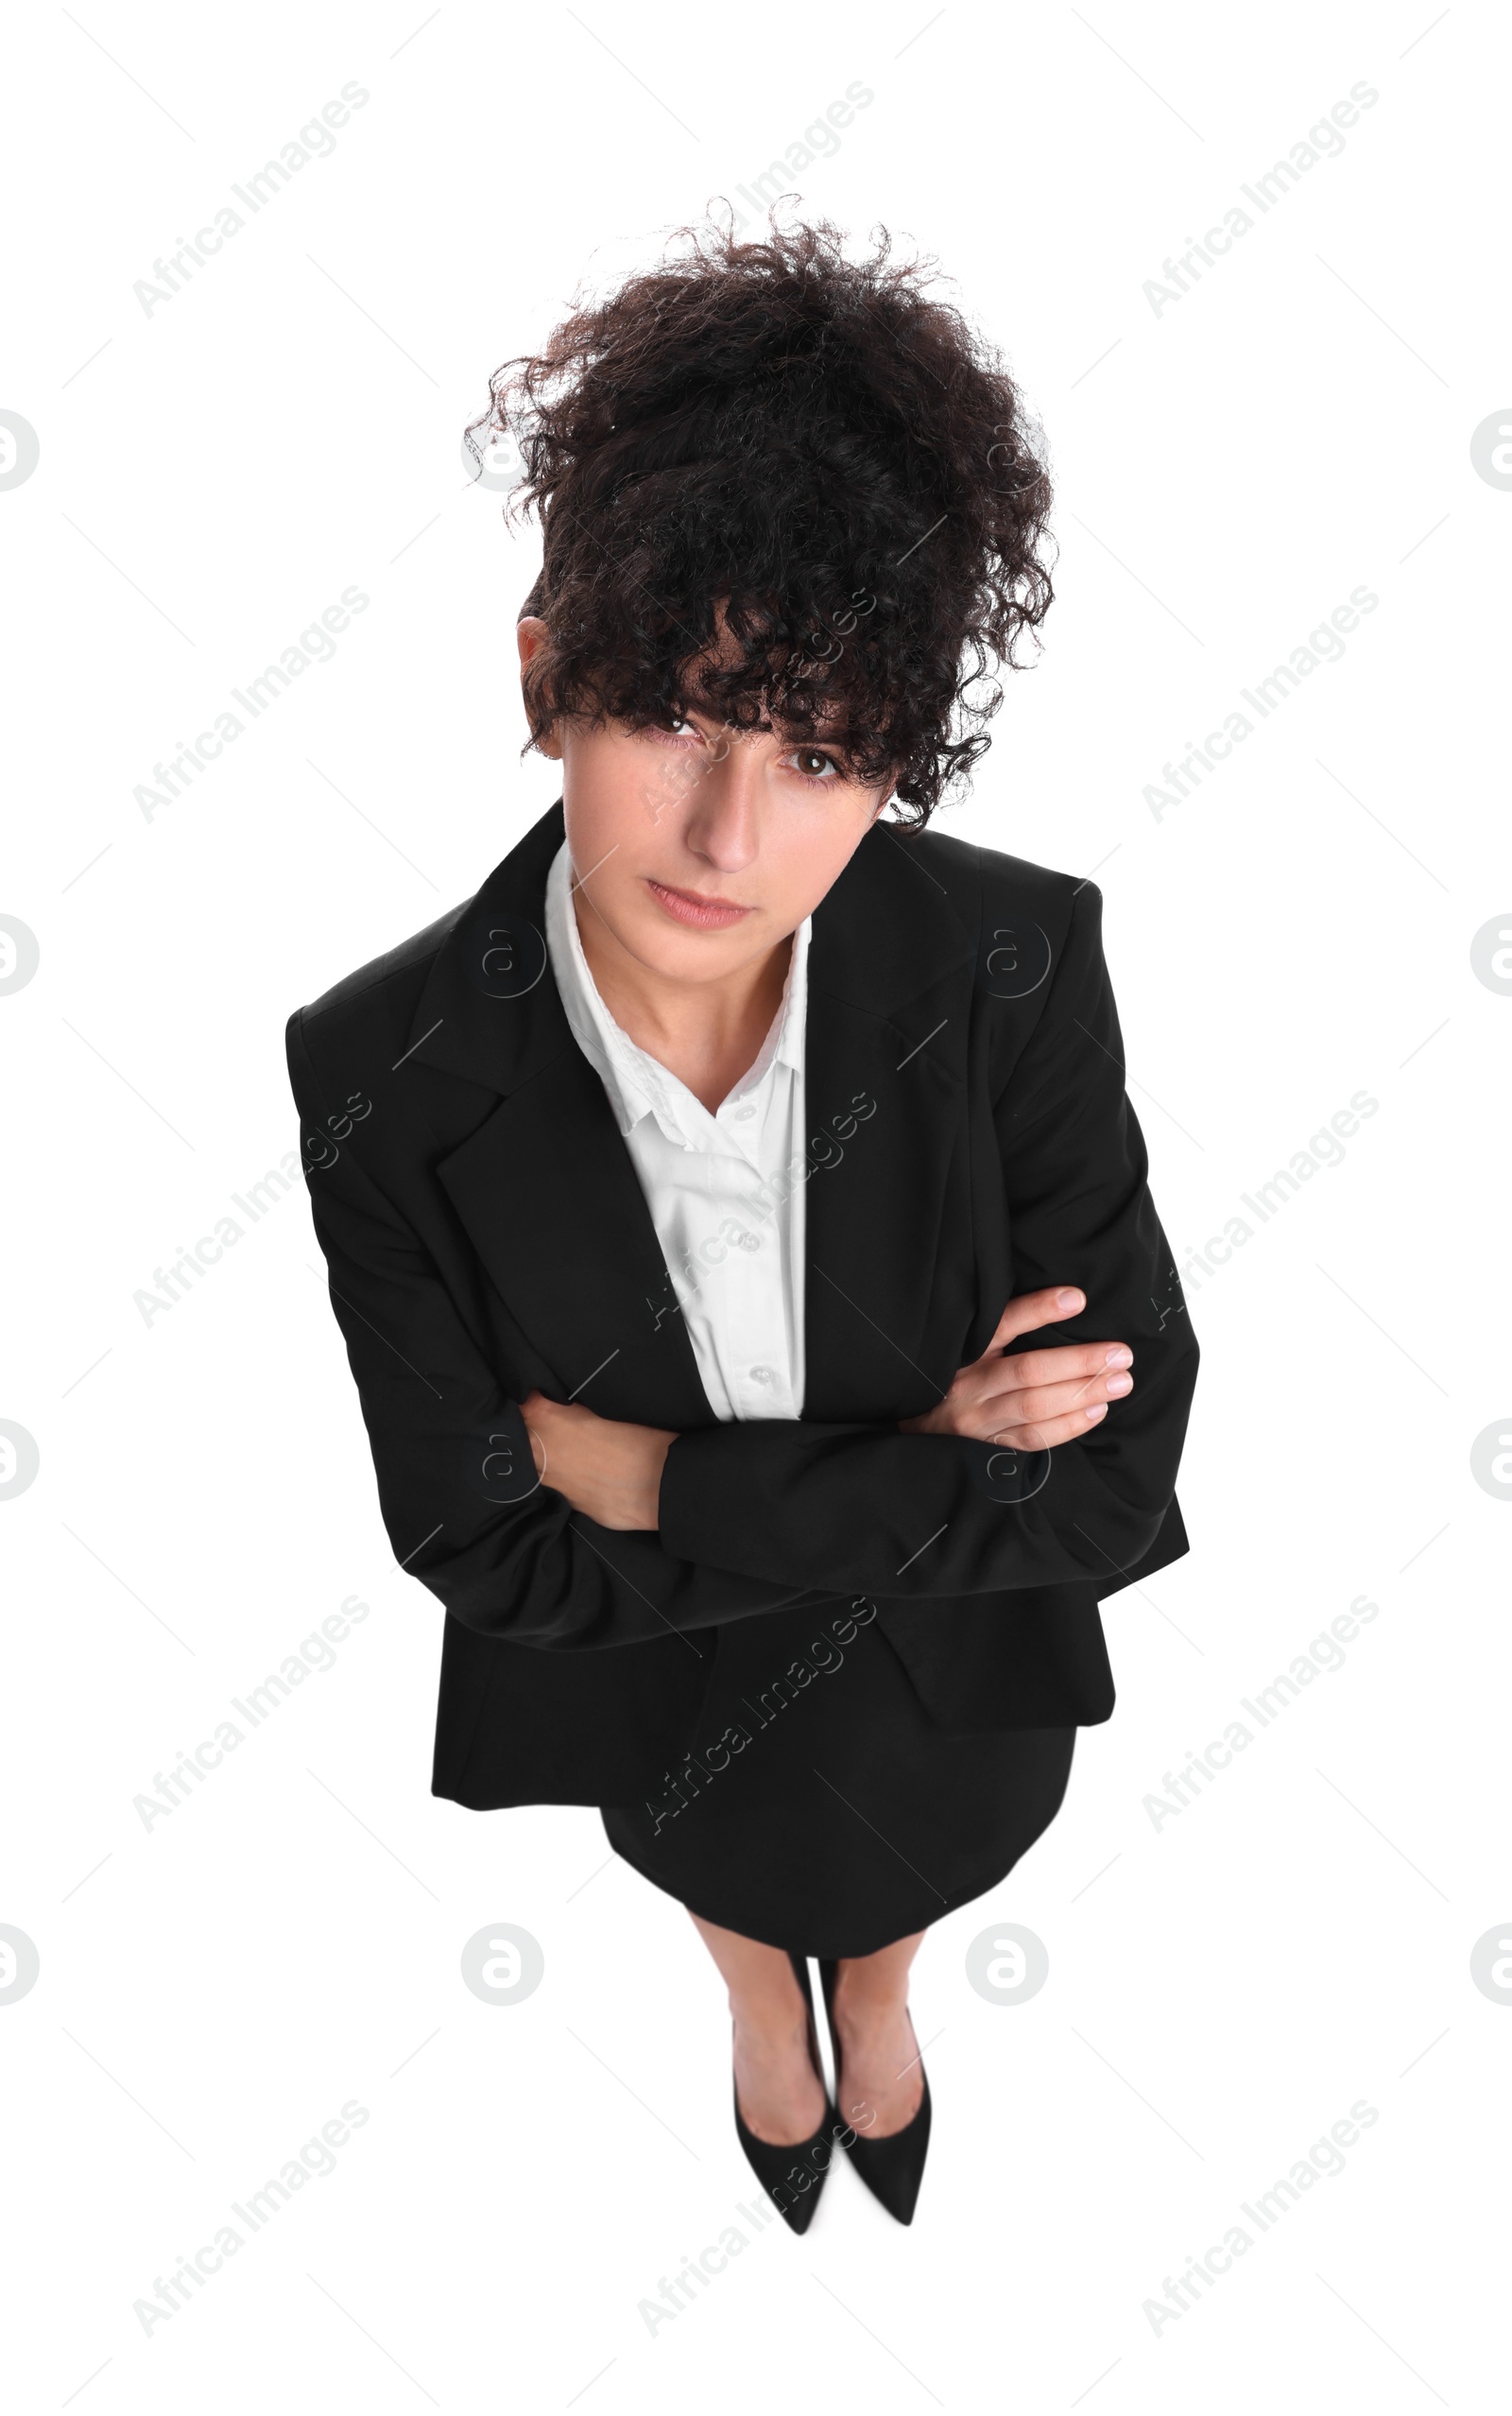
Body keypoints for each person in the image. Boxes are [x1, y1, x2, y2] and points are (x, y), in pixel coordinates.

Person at [286, 216, 1199, 2232]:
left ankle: (871, 2005)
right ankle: (757, 2021)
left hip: (950, 1700)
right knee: (717, 1872)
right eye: (680, 717)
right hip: (664, 1711)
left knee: (909, 1886)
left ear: (893, 766)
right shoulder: (381, 1063)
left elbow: (1120, 1481)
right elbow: (481, 1553)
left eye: (817, 754)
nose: (729, 835)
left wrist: (646, 1475)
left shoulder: (1010, 962)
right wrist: (923, 1473)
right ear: (548, 679)